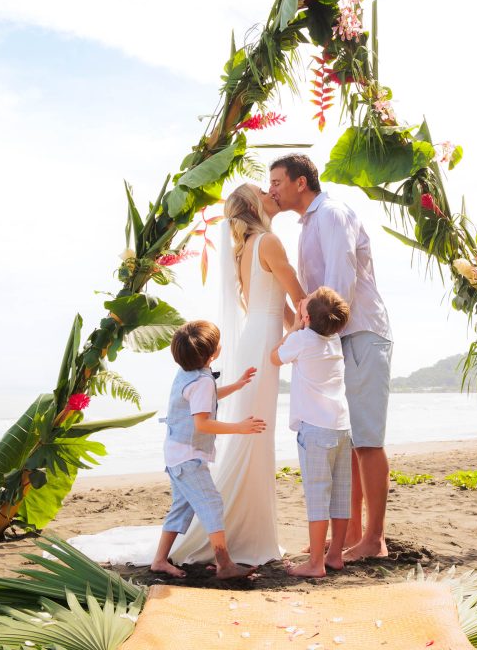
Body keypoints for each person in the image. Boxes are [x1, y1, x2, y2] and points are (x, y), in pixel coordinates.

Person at [169, 182, 306, 566]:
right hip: (264, 341)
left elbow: (280, 306)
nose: (270, 192)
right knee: (256, 434)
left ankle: (248, 529)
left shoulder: (247, 248)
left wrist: (294, 334)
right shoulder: (270, 243)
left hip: (256, 340)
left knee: (255, 436)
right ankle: (247, 535)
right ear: (252, 205)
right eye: (263, 190)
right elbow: (298, 299)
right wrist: (305, 337)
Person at [270, 154, 393, 561]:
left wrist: (320, 339)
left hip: (357, 334)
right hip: (339, 340)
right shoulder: (308, 225)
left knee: (367, 440)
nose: (273, 190)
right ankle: (352, 535)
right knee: (348, 438)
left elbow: (340, 284)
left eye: (277, 182)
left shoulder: (332, 214)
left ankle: (373, 539)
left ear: (300, 182)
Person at [151, 319, 265, 579]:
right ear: (213, 353)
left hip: (175, 451)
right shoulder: (201, 380)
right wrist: (239, 427)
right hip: (187, 456)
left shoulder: (188, 373)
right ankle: (224, 563)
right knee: (211, 503)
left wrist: (236, 385)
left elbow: (204, 398)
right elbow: (202, 423)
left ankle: (159, 560)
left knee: (182, 507)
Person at [271, 287, 352, 578]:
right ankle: (335, 556)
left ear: (306, 316)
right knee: (341, 494)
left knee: (318, 495)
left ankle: (315, 563)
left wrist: (293, 326)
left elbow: (274, 357)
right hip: (342, 426)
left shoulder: (302, 339)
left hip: (315, 430)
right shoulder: (336, 341)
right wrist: (306, 317)